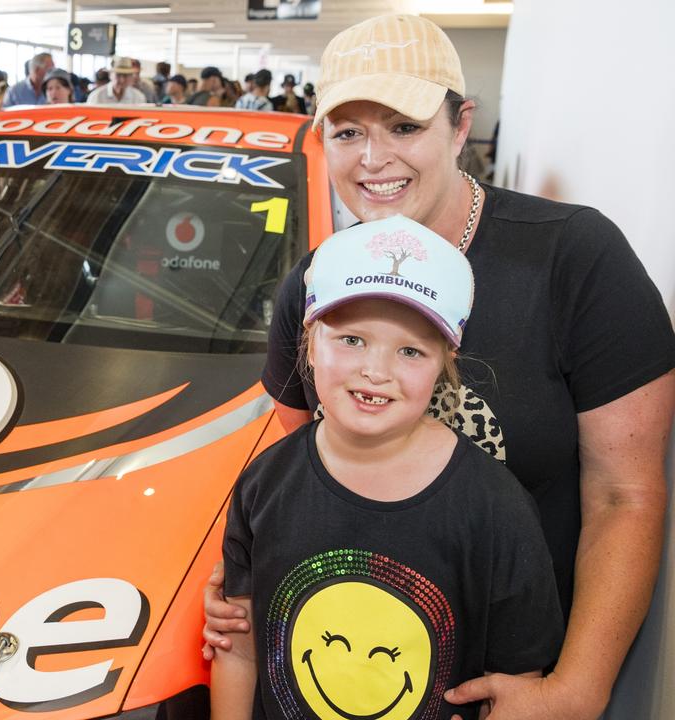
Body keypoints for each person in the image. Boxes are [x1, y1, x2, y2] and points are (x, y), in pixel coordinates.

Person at [202, 15, 675, 720]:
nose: (373, 158)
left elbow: (623, 495)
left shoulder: (576, 260)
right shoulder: (317, 284)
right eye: (348, 132)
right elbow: (295, 464)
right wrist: (242, 580)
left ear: (461, 127)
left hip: (503, 676)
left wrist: (577, 687)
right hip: (339, 656)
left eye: (402, 126)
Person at [211, 216, 564, 720]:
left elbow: (518, 681)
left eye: (410, 350)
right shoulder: (264, 483)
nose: (376, 370)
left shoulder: (496, 509)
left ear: (446, 362)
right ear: (310, 342)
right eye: (351, 339)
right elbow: (238, 647)